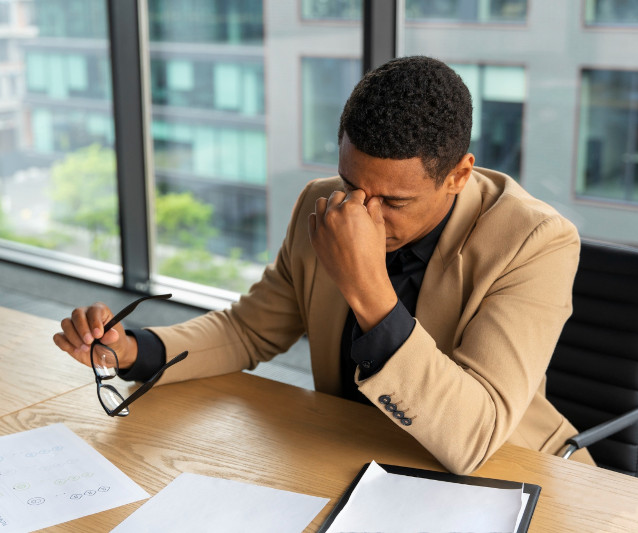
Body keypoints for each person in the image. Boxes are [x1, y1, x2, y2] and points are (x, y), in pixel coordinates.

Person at [54, 56, 593, 474]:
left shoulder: (535, 241)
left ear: (458, 175)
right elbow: (247, 332)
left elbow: (476, 437)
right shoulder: (324, 204)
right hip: (355, 458)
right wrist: (132, 349)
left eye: (395, 201)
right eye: (352, 184)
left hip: (512, 471)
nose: (362, 214)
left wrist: (367, 288)